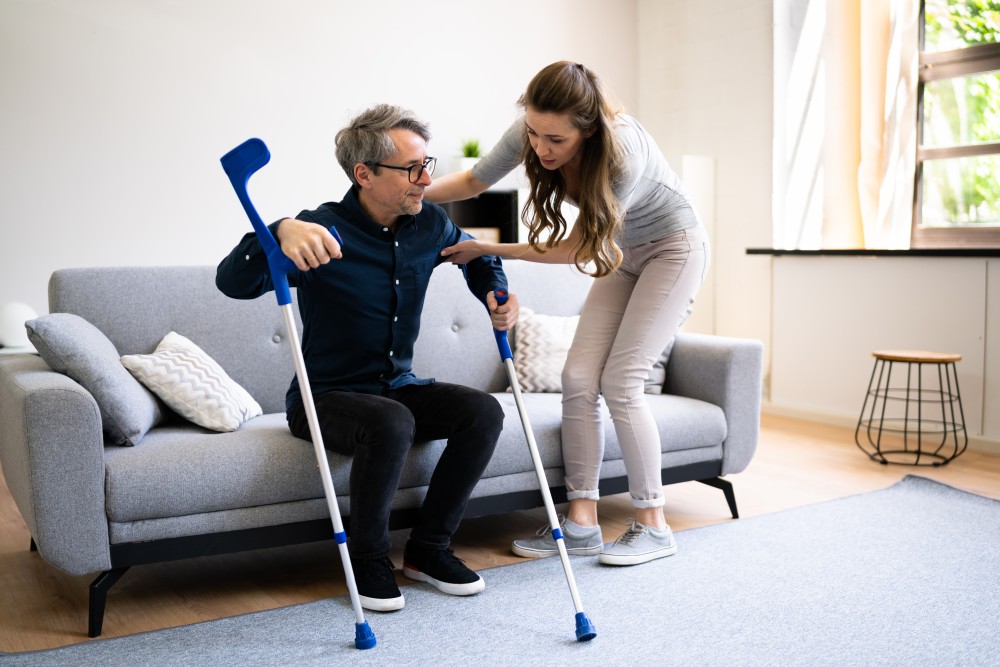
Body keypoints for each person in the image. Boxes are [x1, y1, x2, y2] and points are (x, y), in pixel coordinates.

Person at [216, 104, 519, 611]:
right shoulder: (318, 231)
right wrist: (280, 228)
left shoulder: (429, 224)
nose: (427, 180)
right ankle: (368, 560)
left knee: (483, 411)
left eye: (427, 165)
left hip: (398, 388)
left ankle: (427, 551)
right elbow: (233, 282)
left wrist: (493, 291)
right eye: (413, 169)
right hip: (325, 398)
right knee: (390, 421)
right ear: (365, 174)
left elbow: (475, 254)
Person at [426, 61, 710, 567]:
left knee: (621, 381)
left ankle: (653, 525)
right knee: (577, 377)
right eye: (534, 134)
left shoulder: (622, 152)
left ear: (589, 128)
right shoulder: (534, 128)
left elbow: (579, 246)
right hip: (621, 251)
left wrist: (489, 249)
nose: (540, 148)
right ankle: (581, 524)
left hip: (673, 249)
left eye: (555, 139)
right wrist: (404, 194)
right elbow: (473, 180)